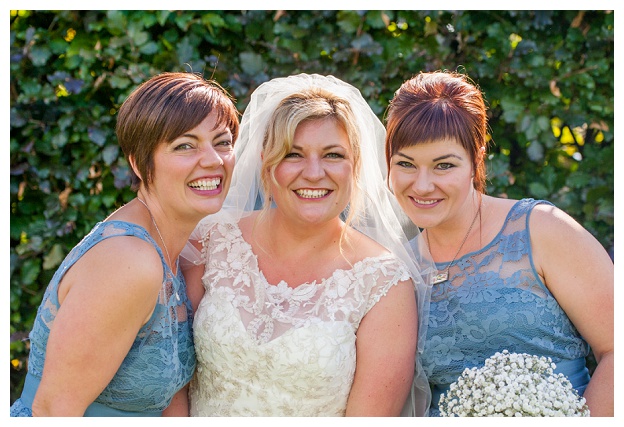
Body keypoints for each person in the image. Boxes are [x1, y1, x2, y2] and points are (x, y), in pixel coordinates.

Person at [182, 73, 432, 416]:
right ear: (267, 164)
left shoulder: (383, 282)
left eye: (332, 155)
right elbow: (170, 380)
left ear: (355, 166)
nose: (314, 173)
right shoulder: (211, 240)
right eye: (293, 154)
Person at [384, 70, 614, 416]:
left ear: (476, 160)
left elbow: (616, 347)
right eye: (406, 164)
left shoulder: (541, 230)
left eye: (444, 165)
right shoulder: (396, 270)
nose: (422, 184)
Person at [10, 72, 240, 416]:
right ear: (139, 161)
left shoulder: (177, 246)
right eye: (185, 146)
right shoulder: (128, 262)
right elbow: (53, 411)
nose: (213, 160)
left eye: (222, 142)